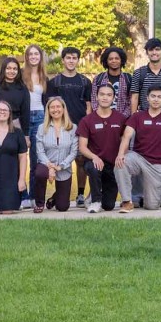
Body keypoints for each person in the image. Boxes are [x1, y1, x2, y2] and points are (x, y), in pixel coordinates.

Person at [114, 85, 161, 212]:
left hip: (158, 164)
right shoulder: (137, 117)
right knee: (121, 163)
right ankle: (127, 201)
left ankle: (147, 197)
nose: (156, 99)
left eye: (159, 97)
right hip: (139, 159)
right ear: (147, 98)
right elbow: (126, 137)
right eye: (153, 96)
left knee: (152, 206)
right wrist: (121, 154)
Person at [46, 47, 92, 207]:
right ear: (63, 60)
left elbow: (89, 106)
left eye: (74, 58)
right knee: (60, 161)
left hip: (79, 126)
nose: (71, 60)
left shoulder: (85, 82)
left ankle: (80, 193)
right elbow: (51, 107)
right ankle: (60, 193)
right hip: (60, 127)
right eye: (68, 58)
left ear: (77, 60)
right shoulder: (54, 82)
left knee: (80, 160)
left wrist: (86, 126)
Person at [77, 84, 130, 213]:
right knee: (93, 168)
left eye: (109, 95)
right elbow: (82, 147)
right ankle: (95, 201)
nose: (105, 98)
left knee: (108, 206)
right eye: (102, 94)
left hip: (113, 165)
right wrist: (94, 157)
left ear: (113, 98)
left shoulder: (121, 119)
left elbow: (125, 140)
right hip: (95, 162)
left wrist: (121, 154)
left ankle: (93, 197)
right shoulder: (87, 120)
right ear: (96, 97)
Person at [33, 96, 78, 213]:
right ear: (48, 110)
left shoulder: (73, 128)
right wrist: (50, 166)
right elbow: (39, 151)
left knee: (62, 207)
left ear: (63, 109)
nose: (55, 109)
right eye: (52, 107)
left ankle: (54, 198)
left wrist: (61, 166)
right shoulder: (41, 128)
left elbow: (74, 152)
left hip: (64, 167)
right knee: (39, 173)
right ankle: (39, 203)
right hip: (45, 164)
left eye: (58, 106)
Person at [22, 44, 48, 207]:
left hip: (39, 118)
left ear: (40, 56)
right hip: (23, 118)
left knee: (36, 159)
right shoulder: (21, 76)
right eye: (30, 54)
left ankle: (33, 196)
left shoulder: (44, 77)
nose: (33, 56)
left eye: (36, 54)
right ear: (26, 57)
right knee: (20, 158)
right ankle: (22, 195)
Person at [130, 38, 161, 113]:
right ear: (147, 52)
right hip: (144, 118)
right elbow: (134, 97)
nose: (154, 52)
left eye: (157, 49)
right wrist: (133, 119)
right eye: (151, 50)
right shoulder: (139, 73)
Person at [92, 46, 131, 117]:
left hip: (123, 120)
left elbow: (131, 102)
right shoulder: (98, 79)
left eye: (117, 58)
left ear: (121, 60)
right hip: (102, 119)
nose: (114, 61)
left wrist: (121, 117)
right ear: (106, 61)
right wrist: (101, 116)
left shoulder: (128, 78)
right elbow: (94, 100)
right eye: (110, 59)